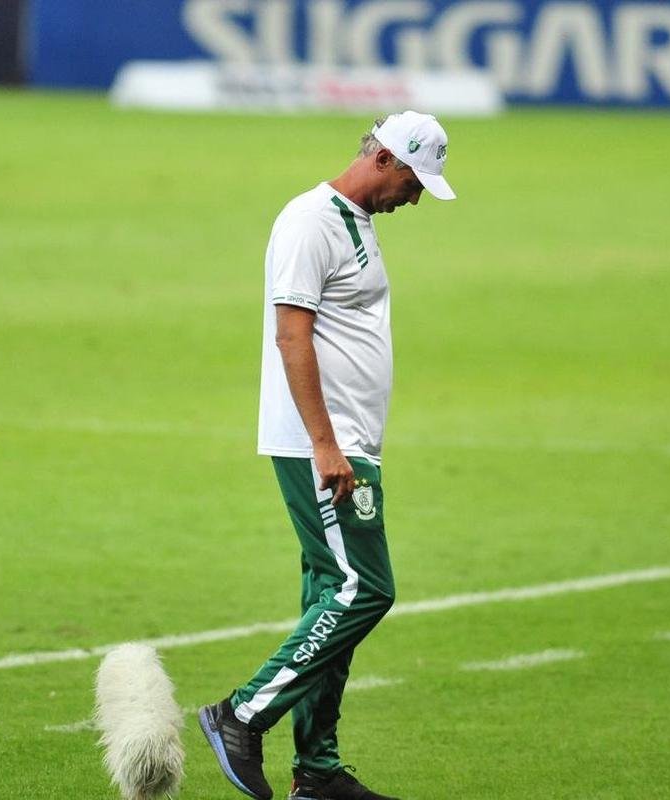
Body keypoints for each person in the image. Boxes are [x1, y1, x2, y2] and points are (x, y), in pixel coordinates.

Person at [198, 111, 455, 800]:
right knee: (364, 589)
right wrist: (324, 445)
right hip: (325, 444)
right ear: (385, 160)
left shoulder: (354, 222)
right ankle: (241, 715)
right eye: (415, 180)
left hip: (347, 440)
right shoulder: (310, 220)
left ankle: (317, 772)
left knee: (327, 597)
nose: (417, 196)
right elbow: (291, 337)